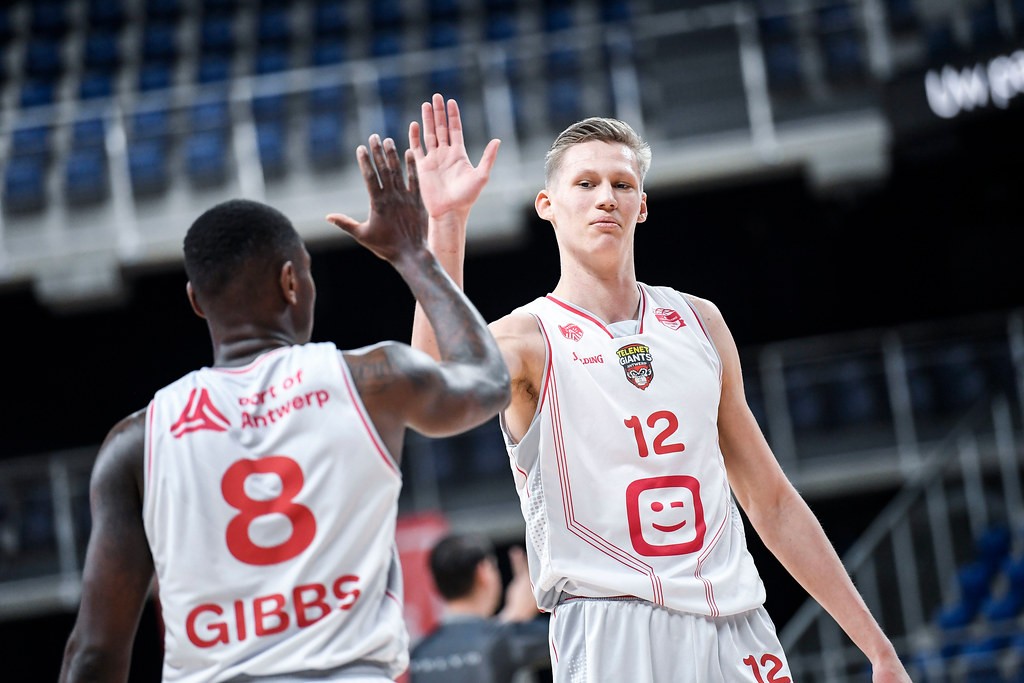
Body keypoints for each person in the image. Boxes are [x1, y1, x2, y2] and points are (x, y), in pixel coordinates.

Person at [407, 93, 913, 682]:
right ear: (547, 205)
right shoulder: (527, 338)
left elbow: (771, 500)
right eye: (586, 183)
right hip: (612, 624)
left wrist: (877, 648)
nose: (605, 197)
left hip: (735, 620)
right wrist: (446, 223)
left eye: (622, 184)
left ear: (641, 206)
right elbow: (428, 393)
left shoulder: (700, 321)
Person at [59, 135, 510, 683]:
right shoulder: (370, 380)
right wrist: (414, 255)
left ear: (197, 302)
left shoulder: (136, 441)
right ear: (292, 282)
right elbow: (487, 381)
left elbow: (94, 653)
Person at [409, 533, 550, 683]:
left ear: (434, 583)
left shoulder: (419, 652)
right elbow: (563, 639)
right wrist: (515, 619)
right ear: (483, 572)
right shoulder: (505, 640)